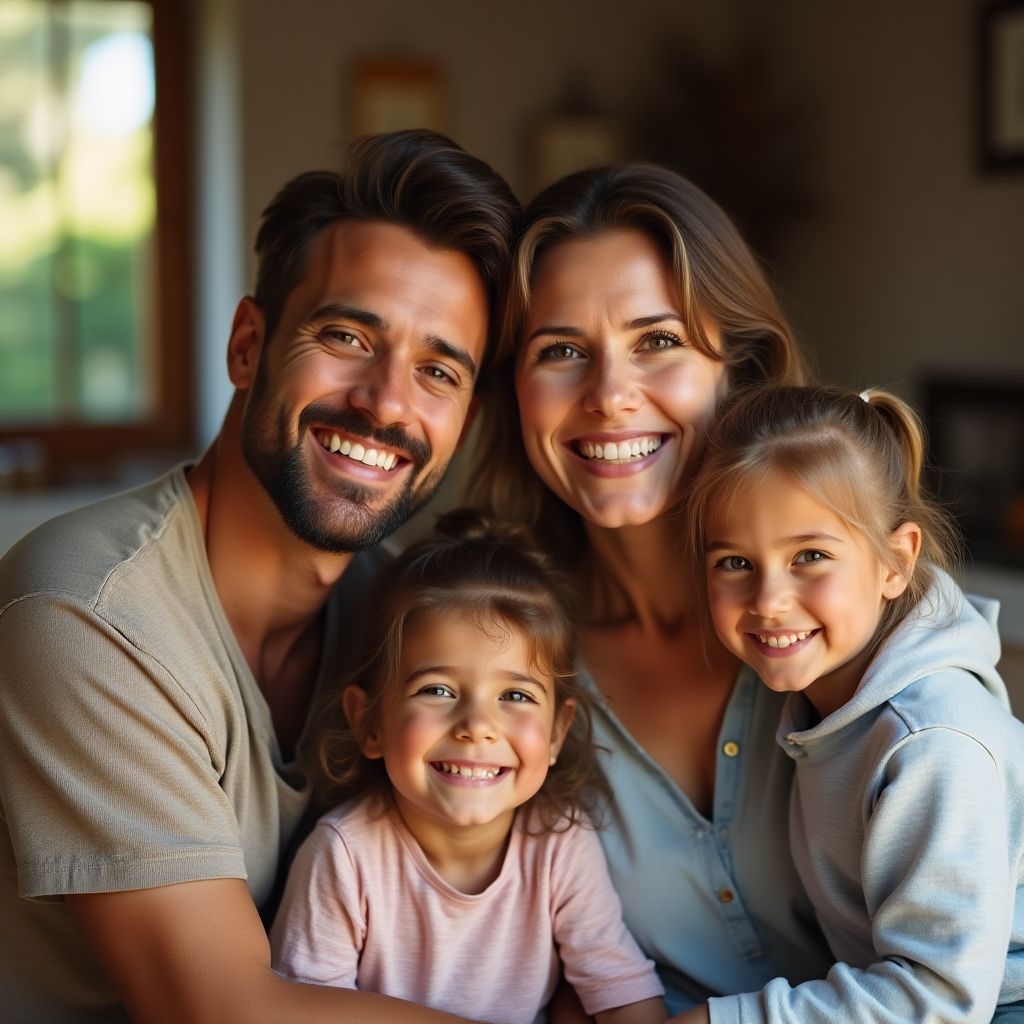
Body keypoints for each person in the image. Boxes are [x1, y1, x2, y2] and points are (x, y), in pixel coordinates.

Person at [0, 129, 520, 1023]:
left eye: (438, 372)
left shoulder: (400, 620)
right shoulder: (84, 610)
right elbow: (226, 1011)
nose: (387, 402)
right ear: (248, 344)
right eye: (348, 335)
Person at [465, 163, 834, 1018]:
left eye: (657, 341)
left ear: (735, 367)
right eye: (561, 352)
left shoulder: (861, 597)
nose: (608, 396)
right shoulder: (497, 664)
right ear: (510, 393)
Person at [679, 384, 1024, 1024]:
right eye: (734, 562)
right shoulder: (829, 701)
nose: (769, 600)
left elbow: (942, 997)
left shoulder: (930, 741)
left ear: (896, 561)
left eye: (810, 556)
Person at [269, 509, 667, 1024]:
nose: (477, 725)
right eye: (437, 690)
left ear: (556, 733)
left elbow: (622, 995)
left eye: (515, 694)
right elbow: (303, 1012)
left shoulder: (559, 843)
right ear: (368, 721)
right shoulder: (344, 856)